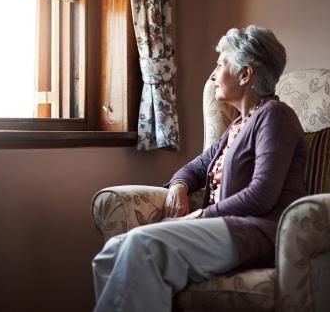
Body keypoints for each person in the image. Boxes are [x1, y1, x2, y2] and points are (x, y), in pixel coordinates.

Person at [92, 25, 306, 312]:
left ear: (245, 74)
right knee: (110, 253)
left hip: (258, 232)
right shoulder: (238, 124)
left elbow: (263, 193)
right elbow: (195, 167)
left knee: (142, 246)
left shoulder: (275, 116)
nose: (212, 75)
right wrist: (179, 186)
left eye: (220, 65)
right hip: (225, 227)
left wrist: (201, 214)